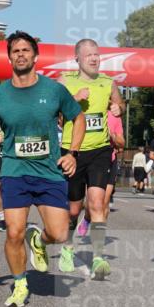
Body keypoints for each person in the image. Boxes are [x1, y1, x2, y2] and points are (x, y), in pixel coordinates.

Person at [0, 31, 84, 307]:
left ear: (35, 55)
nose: (21, 54)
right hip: (14, 170)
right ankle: (20, 282)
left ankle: (39, 241)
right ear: (9, 57)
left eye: (26, 50)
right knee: (13, 232)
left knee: (59, 233)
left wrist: (72, 153)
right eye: (16, 51)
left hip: (48, 171)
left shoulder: (53, 90)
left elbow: (78, 118)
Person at [54, 39, 125, 280]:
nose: (94, 59)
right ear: (78, 59)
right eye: (89, 55)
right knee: (74, 209)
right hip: (72, 151)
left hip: (100, 150)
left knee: (96, 203)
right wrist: (73, 98)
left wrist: (118, 109)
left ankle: (98, 257)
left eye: (97, 55)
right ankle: (66, 248)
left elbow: (119, 102)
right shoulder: (65, 81)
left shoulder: (108, 82)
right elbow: (52, 111)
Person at [102, 109, 125, 220]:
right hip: (90, 160)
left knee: (104, 202)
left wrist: (113, 136)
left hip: (110, 160)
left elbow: (121, 144)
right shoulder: (87, 110)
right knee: (92, 203)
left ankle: (98, 237)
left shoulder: (115, 116)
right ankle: (87, 217)